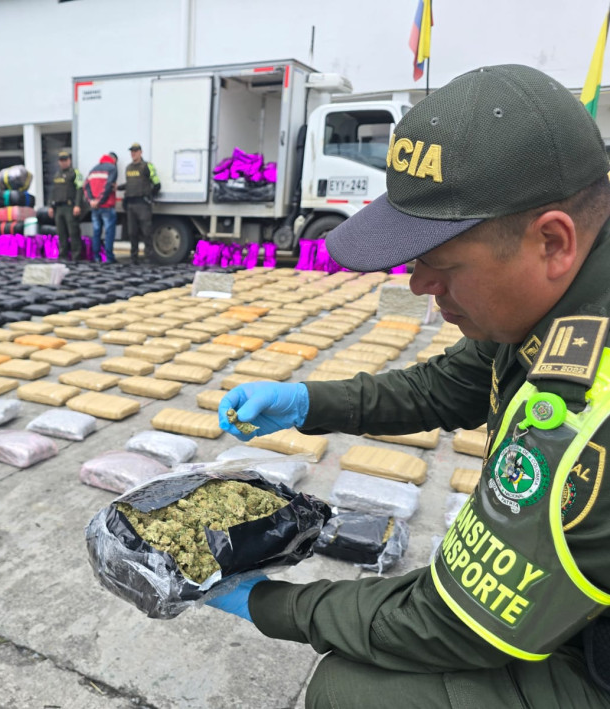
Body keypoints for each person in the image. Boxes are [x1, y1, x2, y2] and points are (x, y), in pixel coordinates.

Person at [210, 64, 610, 708]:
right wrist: (307, 402)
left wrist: (272, 603)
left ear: (552, 242)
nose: (419, 283)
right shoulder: (561, 289)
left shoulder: (592, 411)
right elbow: (450, 385)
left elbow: (456, 622)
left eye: (441, 261)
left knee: (351, 691)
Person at [117, 142, 160, 263]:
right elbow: (130, 184)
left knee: (146, 232)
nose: (133, 153)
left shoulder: (147, 166)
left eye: (135, 151)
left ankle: (148, 257)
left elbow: (157, 183)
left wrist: (150, 196)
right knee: (132, 232)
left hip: (143, 204)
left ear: (141, 152)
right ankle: (134, 258)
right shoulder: (128, 167)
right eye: (132, 151)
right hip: (131, 204)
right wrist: (118, 188)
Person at [48, 150, 84, 260]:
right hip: (59, 208)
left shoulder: (76, 173)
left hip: (70, 207)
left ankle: (76, 257)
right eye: (61, 160)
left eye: (65, 160)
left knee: (73, 233)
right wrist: (50, 206)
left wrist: (77, 205)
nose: (63, 162)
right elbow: (53, 191)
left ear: (69, 160)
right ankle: (62, 256)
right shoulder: (56, 174)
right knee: (61, 233)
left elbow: (80, 189)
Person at [84, 152, 119, 263]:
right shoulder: (112, 168)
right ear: (113, 160)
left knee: (96, 232)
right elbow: (108, 186)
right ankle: (109, 258)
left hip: (94, 207)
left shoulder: (93, 169)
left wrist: (91, 200)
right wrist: (99, 200)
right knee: (109, 232)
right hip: (106, 205)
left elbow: (86, 186)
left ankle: (96, 257)